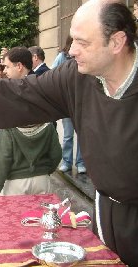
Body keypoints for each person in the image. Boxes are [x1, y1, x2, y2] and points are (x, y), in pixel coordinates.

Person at [0, 0, 138, 266]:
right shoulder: (77, 75)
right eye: (72, 40)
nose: (71, 50)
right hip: (106, 215)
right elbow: (24, 93)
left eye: (82, 43)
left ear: (117, 42)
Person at [0, 47, 61, 196]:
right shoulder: (38, 87)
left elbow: (4, 157)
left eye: (7, 66)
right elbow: (55, 153)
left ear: (19, 66)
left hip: (18, 182)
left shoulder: (28, 90)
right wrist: (43, 171)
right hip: (42, 179)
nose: (4, 71)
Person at [51, 36, 86, 174]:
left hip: (82, 102)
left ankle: (81, 163)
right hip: (67, 103)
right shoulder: (62, 57)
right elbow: (53, 75)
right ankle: (66, 161)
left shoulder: (85, 56)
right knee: (68, 135)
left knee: (82, 135)